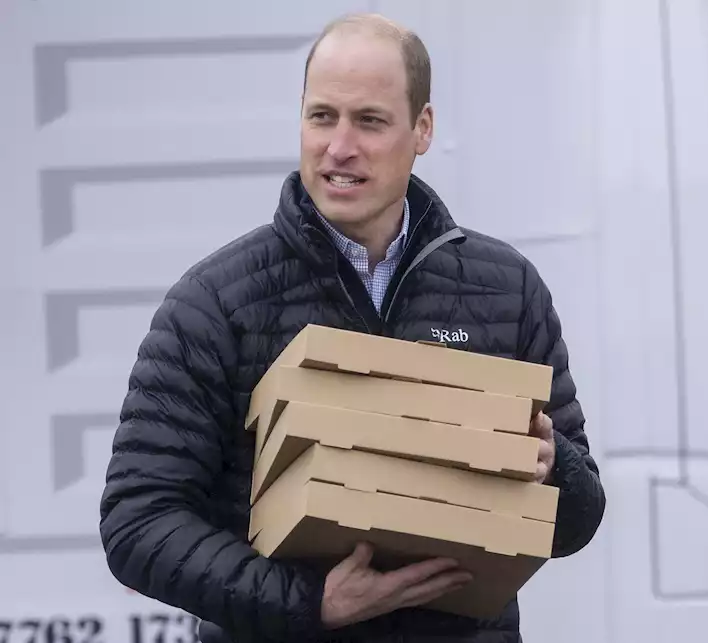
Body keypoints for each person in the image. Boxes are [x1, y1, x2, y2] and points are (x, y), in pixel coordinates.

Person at [98, 13, 606, 643]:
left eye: (369, 120)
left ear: (422, 129)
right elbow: (137, 521)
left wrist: (555, 468)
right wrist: (309, 605)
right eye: (322, 117)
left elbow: (577, 522)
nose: (340, 147)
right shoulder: (216, 302)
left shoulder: (506, 289)